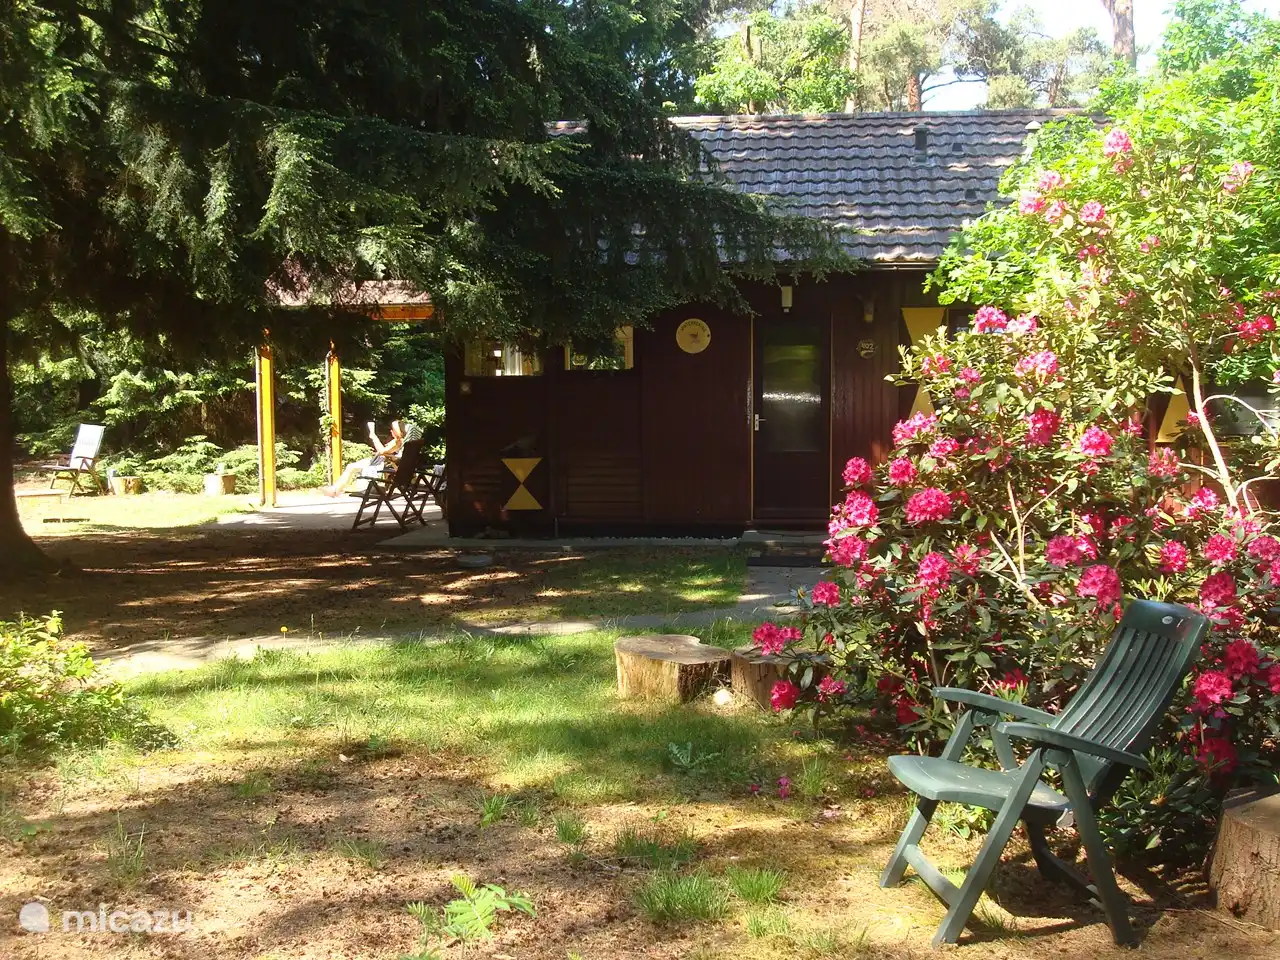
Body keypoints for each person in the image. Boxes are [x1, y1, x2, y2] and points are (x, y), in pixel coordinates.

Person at [323, 419, 423, 496]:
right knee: (351, 467)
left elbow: (382, 451)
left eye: (392, 430)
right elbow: (385, 450)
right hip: (387, 463)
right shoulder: (401, 442)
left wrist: (373, 435)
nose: (390, 431)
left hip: (384, 464)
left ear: (396, 431)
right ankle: (335, 490)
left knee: (351, 467)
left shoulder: (399, 442)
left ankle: (335, 490)